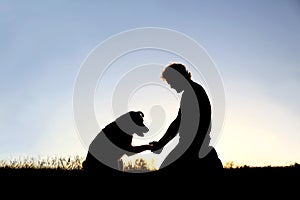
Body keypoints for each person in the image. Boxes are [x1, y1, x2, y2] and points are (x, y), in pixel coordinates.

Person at [150, 62, 223, 177]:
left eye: (171, 82)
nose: (171, 87)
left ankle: (210, 158)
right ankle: (210, 158)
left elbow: (178, 124)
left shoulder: (191, 93)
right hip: (196, 144)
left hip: (191, 146)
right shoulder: (194, 90)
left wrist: (161, 143)